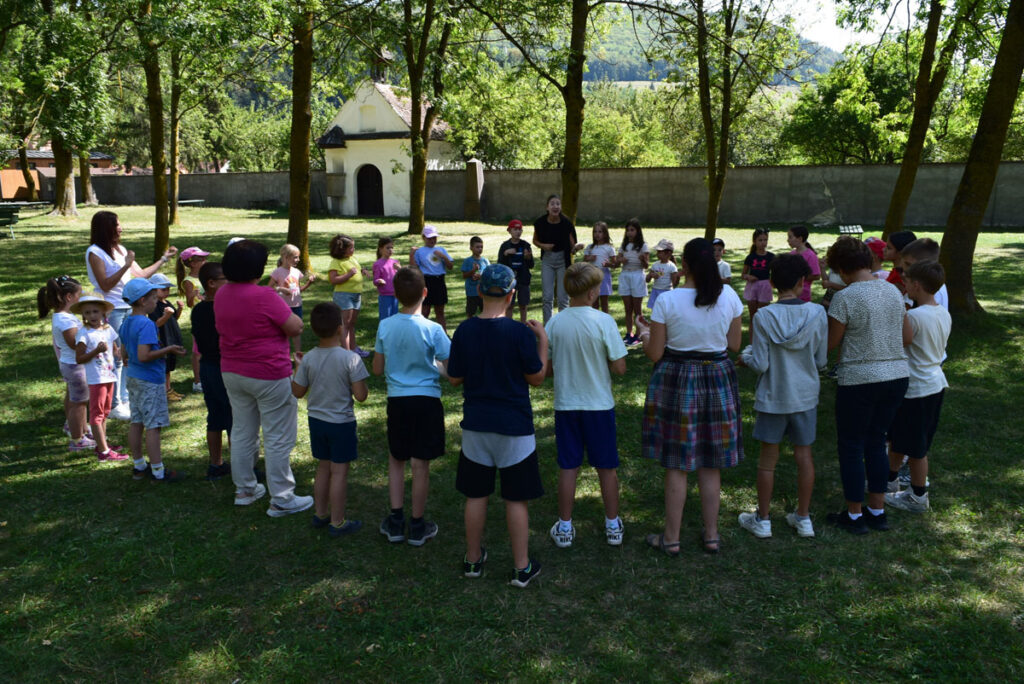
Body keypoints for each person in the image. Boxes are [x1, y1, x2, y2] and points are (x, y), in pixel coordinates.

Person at [635, 238, 744, 555]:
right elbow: (734, 344)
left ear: (683, 266)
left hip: (678, 379)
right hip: (717, 377)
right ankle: (711, 536)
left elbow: (655, 353)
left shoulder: (668, 301)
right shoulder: (729, 296)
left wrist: (644, 334)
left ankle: (671, 539)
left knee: (677, 464)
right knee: (711, 464)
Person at [447, 264, 547, 587]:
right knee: (516, 499)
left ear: (479, 291)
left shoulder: (464, 331)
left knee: (476, 495)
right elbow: (537, 378)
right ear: (511, 295)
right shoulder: (520, 333)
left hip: (476, 426)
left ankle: (473, 559)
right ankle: (521, 567)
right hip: (514, 427)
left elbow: (454, 377)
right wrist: (543, 341)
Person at [216, 240, 313, 515]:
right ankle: (282, 498)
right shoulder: (265, 296)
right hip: (268, 374)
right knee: (278, 436)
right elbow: (295, 326)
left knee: (242, 431)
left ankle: (245, 489)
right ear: (257, 269)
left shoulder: (222, 293)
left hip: (233, 372)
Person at [737, 254, 827, 539]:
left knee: (768, 460)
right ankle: (803, 517)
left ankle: (763, 519)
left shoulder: (763, 316)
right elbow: (821, 361)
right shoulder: (818, 313)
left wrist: (745, 356)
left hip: (773, 395)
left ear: (773, 283)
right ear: (802, 282)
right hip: (805, 396)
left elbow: (760, 364)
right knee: (804, 455)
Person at [824, 236, 910, 534]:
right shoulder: (893, 290)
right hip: (896, 376)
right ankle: (877, 509)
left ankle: (854, 515)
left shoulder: (845, 297)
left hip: (859, 380)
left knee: (851, 445)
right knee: (877, 440)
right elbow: (907, 337)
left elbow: (831, 343)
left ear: (842, 269)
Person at [545, 263, 628, 549]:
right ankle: (613, 525)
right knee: (606, 467)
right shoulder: (604, 321)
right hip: (599, 406)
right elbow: (620, 367)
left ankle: (565, 527)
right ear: (592, 293)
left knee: (568, 466)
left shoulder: (555, 323)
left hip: (566, 405)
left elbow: (548, 369)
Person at [372, 267, 451, 546]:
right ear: (425, 293)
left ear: (395, 295)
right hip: (427, 401)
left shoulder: (385, 326)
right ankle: (417, 525)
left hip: (398, 401)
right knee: (420, 464)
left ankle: (396, 521)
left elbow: (377, 369)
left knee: (397, 459)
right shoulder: (433, 329)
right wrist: (435, 367)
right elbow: (451, 369)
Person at [85, 210, 177, 420]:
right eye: (117, 224)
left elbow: (141, 274)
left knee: (131, 354)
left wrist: (163, 259)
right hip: (113, 309)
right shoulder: (95, 252)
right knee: (117, 356)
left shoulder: (120, 249)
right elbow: (105, 285)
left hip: (130, 307)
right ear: (106, 228)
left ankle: (125, 398)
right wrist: (126, 264)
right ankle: (115, 404)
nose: (121, 228)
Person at [293, 302, 370, 538]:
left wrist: (298, 367)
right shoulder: (350, 359)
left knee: (323, 467)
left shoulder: (308, 358)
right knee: (339, 473)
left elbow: (297, 392)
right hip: (341, 424)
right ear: (340, 329)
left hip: (317, 422)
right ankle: (337, 522)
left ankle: (320, 514)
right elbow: (361, 396)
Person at [885, 261, 951, 513]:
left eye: (906, 282)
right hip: (933, 383)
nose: (904, 286)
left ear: (916, 285)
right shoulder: (942, 312)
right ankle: (890, 480)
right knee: (897, 437)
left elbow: (896, 342)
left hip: (917, 388)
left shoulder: (914, 316)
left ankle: (917, 496)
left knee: (916, 447)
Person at [119, 278, 187, 482]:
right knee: (153, 425)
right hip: (149, 380)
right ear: (142, 301)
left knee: (137, 421)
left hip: (133, 378)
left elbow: (124, 352)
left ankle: (139, 466)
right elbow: (144, 356)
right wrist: (169, 349)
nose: (156, 302)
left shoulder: (127, 322)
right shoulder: (146, 324)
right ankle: (158, 470)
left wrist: (128, 357)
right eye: (153, 299)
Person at [37, 275, 93, 451]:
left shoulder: (64, 316)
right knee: (80, 402)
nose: (81, 297)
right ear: (69, 297)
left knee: (74, 398)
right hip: (75, 366)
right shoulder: (65, 320)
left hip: (70, 364)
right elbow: (75, 344)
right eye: (79, 294)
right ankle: (78, 440)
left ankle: (79, 428)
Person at [190, 262, 234, 481]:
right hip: (222, 367)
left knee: (216, 417)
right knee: (234, 418)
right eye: (225, 278)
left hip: (208, 368)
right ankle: (241, 466)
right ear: (211, 283)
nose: (230, 282)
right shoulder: (221, 309)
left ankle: (216, 464)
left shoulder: (198, 310)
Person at [73, 292, 127, 462]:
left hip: (109, 375)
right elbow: (79, 358)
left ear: (103, 312)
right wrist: (96, 350)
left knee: (105, 412)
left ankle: (102, 443)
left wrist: (119, 354)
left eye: (95, 311)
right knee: (96, 414)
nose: (92, 316)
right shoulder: (83, 334)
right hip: (96, 379)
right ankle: (104, 452)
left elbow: (114, 345)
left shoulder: (108, 329)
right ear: (83, 315)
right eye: (87, 313)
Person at [533, 194, 580, 323]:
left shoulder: (567, 223)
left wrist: (577, 248)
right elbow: (535, 240)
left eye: (558, 204)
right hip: (547, 260)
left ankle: (563, 326)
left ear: (560, 207)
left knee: (563, 297)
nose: (555, 206)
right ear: (547, 207)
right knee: (547, 297)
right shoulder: (540, 223)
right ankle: (547, 327)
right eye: (552, 204)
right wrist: (543, 246)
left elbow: (573, 247)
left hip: (563, 261)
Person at [269, 243, 317, 364]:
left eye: (298, 257)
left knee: (297, 331)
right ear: (285, 257)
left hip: (297, 306)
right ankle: (282, 355)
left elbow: (298, 290)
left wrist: (309, 283)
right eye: (295, 257)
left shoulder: (296, 272)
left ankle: (298, 355)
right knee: (282, 332)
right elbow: (269, 289)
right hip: (283, 307)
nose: (298, 259)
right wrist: (281, 289)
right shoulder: (277, 272)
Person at [328, 234, 372, 358]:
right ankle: (346, 353)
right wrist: (348, 275)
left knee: (351, 324)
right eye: (351, 247)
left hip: (356, 295)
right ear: (342, 249)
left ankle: (354, 348)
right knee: (345, 325)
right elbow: (333, 280)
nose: (353, 250)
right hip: (344, 296)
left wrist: (362, 271)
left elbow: (356, 270)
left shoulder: (352, 259)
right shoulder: (336, 262)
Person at [410, 225, 454, 333]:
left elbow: (450, 266)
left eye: (434, 238)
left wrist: (443, 256)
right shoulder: (420, 251)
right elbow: (414, 268)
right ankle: (422, 334)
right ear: (423, 237)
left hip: (439, 281)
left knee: (440, 312)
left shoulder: (441, 250)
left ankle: (444, 336)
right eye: (429, 238)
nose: (432, 240)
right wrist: (411, 255)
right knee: (425, 311)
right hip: (426, 281)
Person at [147, 274, 184, 401]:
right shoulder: (154, 305)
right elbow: (156, 324)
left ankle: (168, 389)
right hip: (163, 339)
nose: (167, 292)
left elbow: (174, 317)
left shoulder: (167, 303)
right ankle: (164, 391)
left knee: (169, 366)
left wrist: (179, 309)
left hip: (171, 337)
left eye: (168, 289)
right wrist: (166, 315)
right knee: (164, 366)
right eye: (163, 289)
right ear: (153, 290)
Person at [177, 246, 209, 392]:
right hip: (199, 317)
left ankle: (207, 375)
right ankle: (197, 381)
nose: (205, 261)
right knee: (198, 350)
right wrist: (194, 295)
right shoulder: (189, 281)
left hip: (209, 313)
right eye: (202, 259)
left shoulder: (205, 276)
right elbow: (190, 303)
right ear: (192, 263)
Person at [615, 218, 650, 345]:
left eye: (632, 230)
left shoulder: (643, 246)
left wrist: (642, 259)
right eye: (627, 230)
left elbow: (646, 265)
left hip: (637, 275)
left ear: (637, 231)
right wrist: (620, 260)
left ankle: (639, 334)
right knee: (627, 308)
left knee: (637, 309)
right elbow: (617, 262)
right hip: (625, 274)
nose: (629, 233)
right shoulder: (623, 246)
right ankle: (628, 333)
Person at [497, 219, 535, 322]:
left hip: (523, 279)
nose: (518, 232)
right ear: (509, 231)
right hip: (509, 280)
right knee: (509, 305)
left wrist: (528, 258)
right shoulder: (505, 246)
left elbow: (531, 265)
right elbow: (500, 265)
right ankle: (509, 325)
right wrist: (506, 254)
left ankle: (523, 325)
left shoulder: (525, 245)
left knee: (523, 305)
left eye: (520, 229)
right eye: (515, 229)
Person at [899, 238, 949, 310]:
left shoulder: (926, 288)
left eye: (908, 264)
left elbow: (905, 311)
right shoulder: (930, 282)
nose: (903, 267)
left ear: (924, 265)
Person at [741, 227, 775, 332]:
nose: (763, 242)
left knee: (763, 315)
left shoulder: (771, 257)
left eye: (765, 240)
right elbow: (743, 274)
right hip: (752, 287)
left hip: (765, 286)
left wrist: (773, 283)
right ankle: (752, 338)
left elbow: (775, 273)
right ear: (754, 241)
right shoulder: (750, 257)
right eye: (760, 240)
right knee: (753, 316)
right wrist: (748, 277)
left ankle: (763, 337)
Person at [583, 221, 617, 314]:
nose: (597, 234)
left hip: (604, 275)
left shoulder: (609, 247)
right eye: (595, 232)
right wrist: (589, 258)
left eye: (600, 232)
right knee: (594, 301)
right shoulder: (590, 247)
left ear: (605, 234)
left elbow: (615, 264)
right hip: (592, 276)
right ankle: (595, 319)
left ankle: (605, 319)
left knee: (604, 302)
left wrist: (608, 264)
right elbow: (584, 260)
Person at [786, 225, 820, 303]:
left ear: (800, 239)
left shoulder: (811, 255)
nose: (787, 240)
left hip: (803, 295)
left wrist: (798, 277)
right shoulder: (791, 254)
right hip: (790, 294)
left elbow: (817, 276)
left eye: (790, 237)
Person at [372, 237, 401, 322]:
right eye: (388, 248)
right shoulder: (378, 264)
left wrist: (400, 269)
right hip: (385, 296)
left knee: (395, 318)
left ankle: (393, 331)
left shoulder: (395, 262)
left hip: (395, 295)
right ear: (381, 249)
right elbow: (375, 280)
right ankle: (384, 331)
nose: (390, 250)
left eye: (392, 247)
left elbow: (401, 277)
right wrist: (379, 281)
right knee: (385, 318)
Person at [461, 236, 489, 319]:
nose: (480, 249)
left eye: (481, 247)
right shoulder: (467, 261)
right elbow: (464, 275)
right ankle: (470, 325)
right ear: (471, 248)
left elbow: (489, 275)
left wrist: (481, 277)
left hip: (483, 292)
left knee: (485, 312)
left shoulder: (485, 261)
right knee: (470, 313)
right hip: (471, 292)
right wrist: (473, 271)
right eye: (477, 247)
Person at [646, 239, 678, 312]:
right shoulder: (655, 265)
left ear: (668, 253)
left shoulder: (672, 267)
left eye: (660, 252)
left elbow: (675, 283)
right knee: (655, 310)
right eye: (657, 251)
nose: (657, 254)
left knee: (665, 311)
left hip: (666, 291)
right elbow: (647, 280)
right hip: (655, 290)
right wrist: (650, 275)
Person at [883, 230, 917, 294]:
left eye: (889, 248)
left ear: (900, 253)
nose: (884, 250)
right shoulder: (895, 271)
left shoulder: (899, 277)